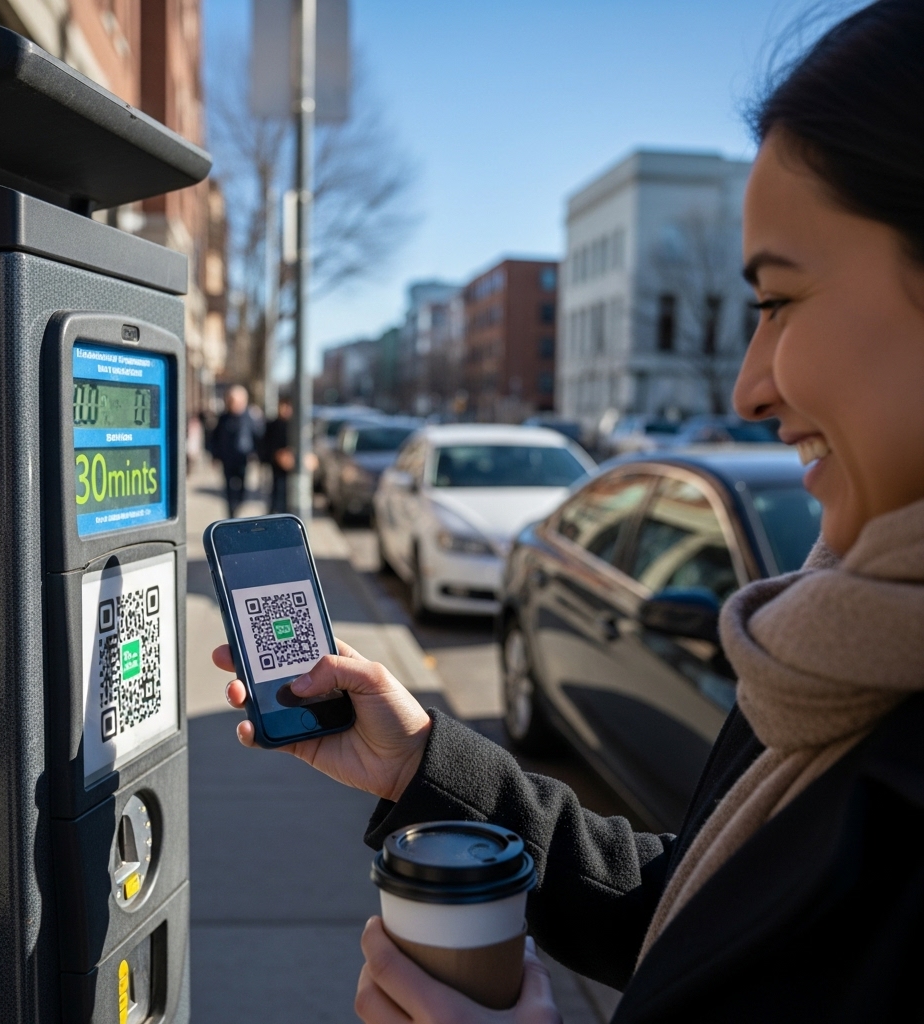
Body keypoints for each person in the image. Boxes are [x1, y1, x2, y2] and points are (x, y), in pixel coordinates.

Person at [215, 2, 924, 1020]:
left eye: (777, 302)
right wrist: (420, 763)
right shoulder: (830, 638)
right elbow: (690, 911)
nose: (747, 387)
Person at [211, 385, 261, 518]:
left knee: (242, 486)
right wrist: (215, 455)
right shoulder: (223, 418)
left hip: (243, 457)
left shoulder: (250, 417)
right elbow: (215, 438)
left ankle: (238, 505)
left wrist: (256, 454)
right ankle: (231, 512)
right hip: (227, 458)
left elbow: (257, 435)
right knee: (229, 487)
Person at [260, 397, 294, 515]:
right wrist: (277, 456)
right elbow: (265, 445)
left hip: (293, 468)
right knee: (277, 492)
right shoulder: (273, 425)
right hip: (276, 467)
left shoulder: (295, 425)